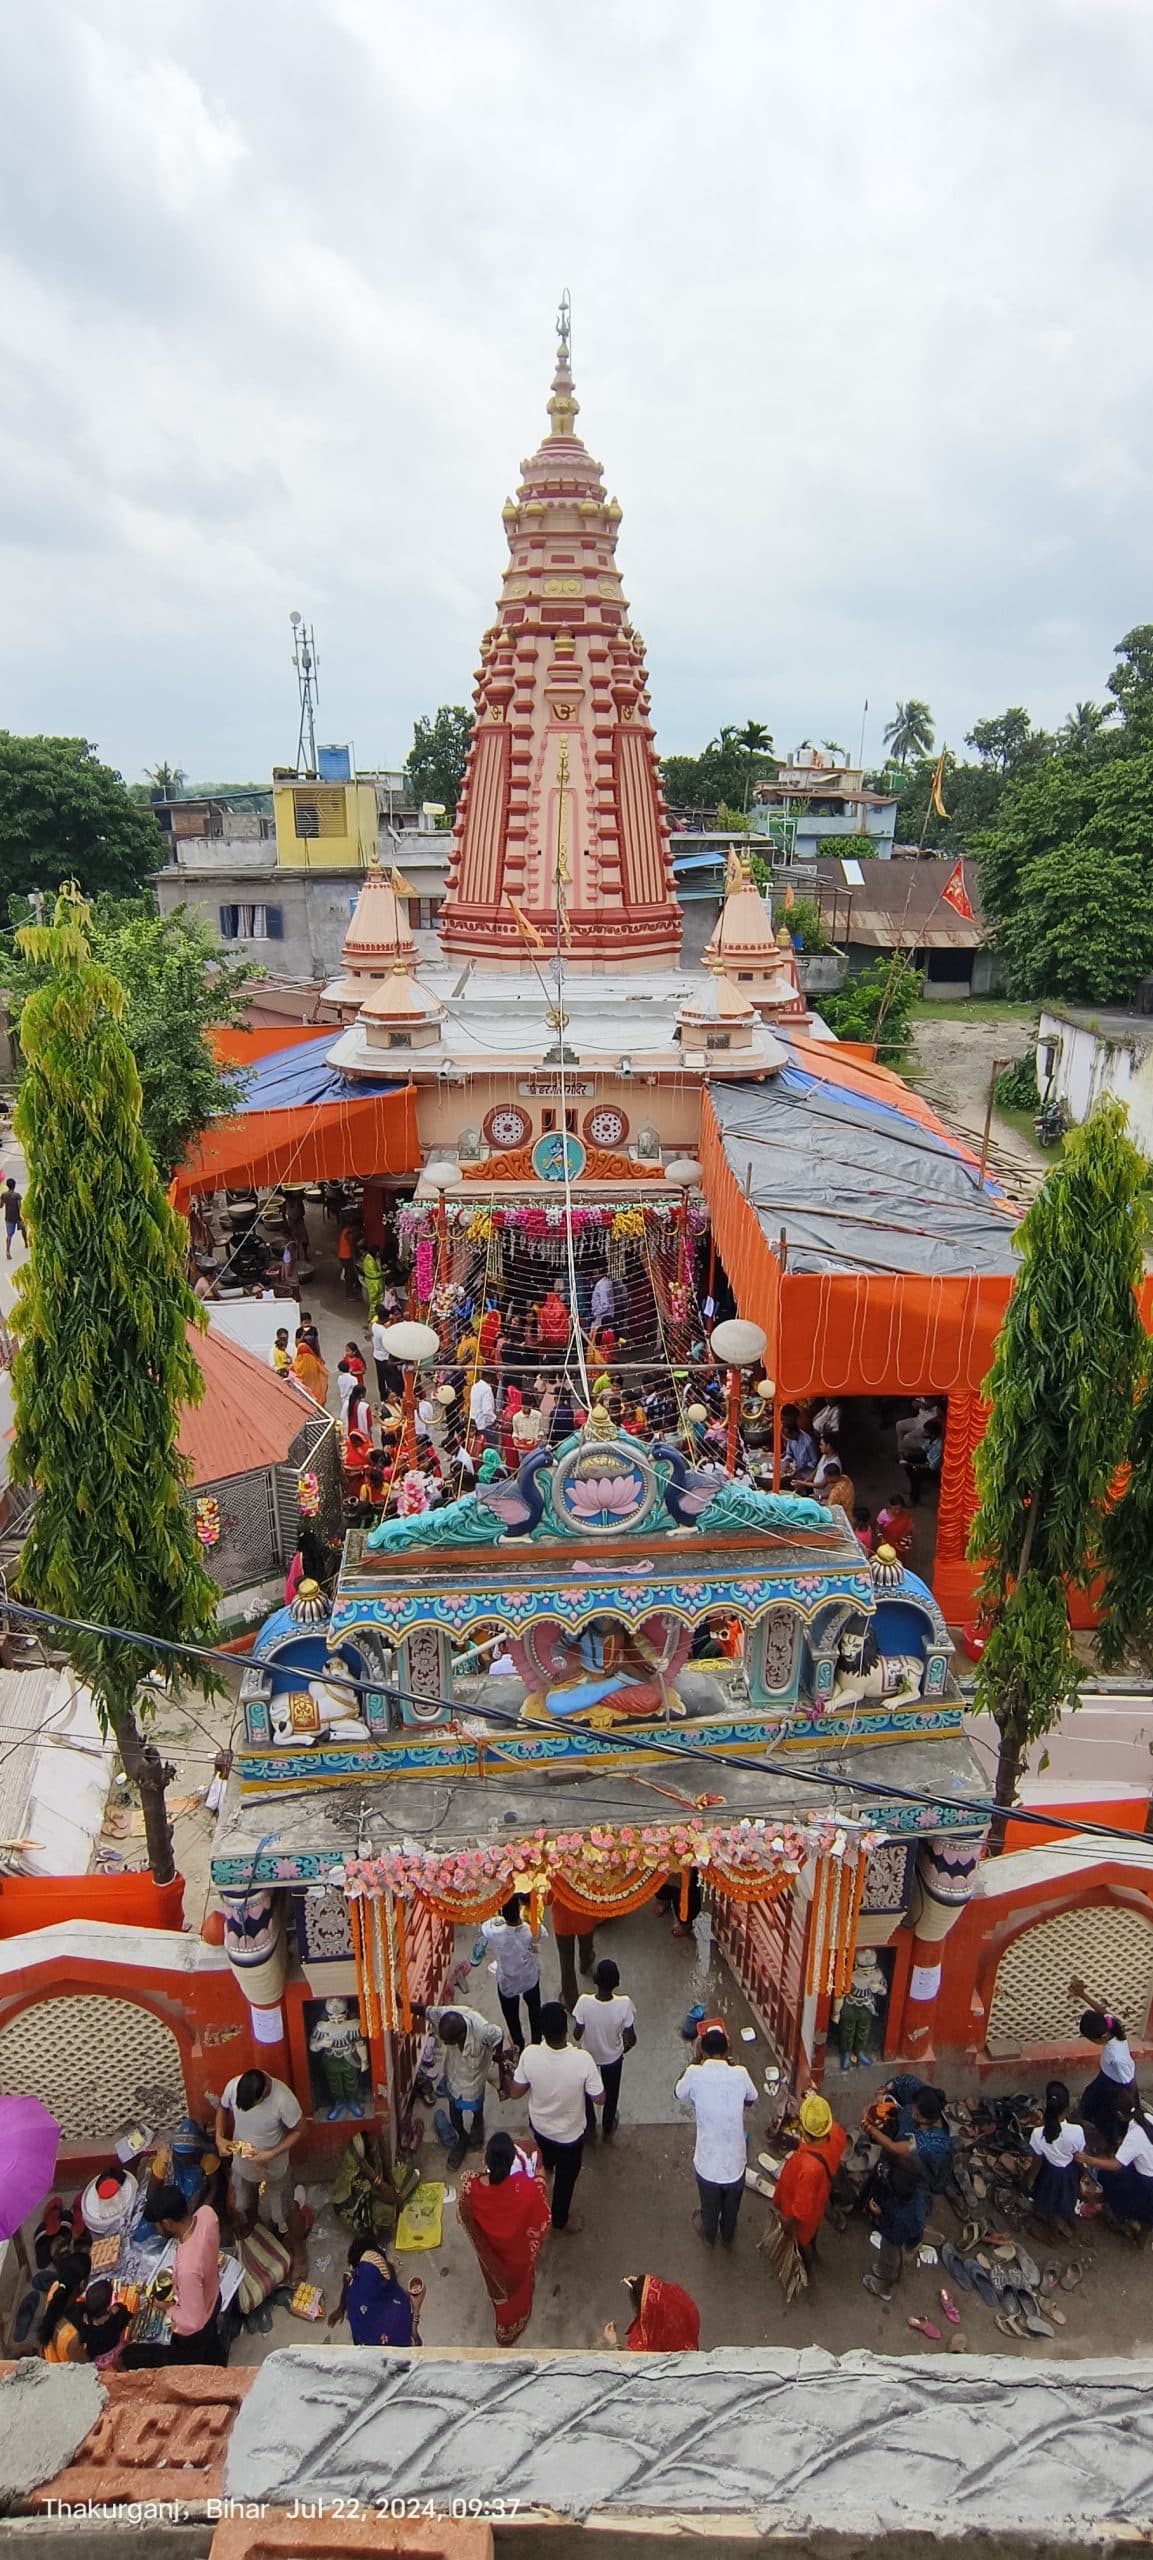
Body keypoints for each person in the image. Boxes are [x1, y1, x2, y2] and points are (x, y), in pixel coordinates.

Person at [511, 2000, 603, 2233]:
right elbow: (599, 2098)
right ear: (566, 2029)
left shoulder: (530, 2055)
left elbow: (516, 2092)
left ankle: (548, 2166)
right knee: (566, 2180)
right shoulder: (583, 2060)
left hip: (540, 2127)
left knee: (547, 2155)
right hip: (570, 2135)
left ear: (542, 2031)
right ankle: (560, 2220)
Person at [458, 2130, 551, 2344]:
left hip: (492, 2260)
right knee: (521, 2290)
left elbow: (465, 2215)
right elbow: (543, 2216)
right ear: (511, 2161)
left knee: (501, 2297)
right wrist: (539, 2177)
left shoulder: (471, 2190)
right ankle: (516, 2320)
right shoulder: (526, 2189)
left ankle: (505, 2327)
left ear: (486, 2160)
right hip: (518, 2258)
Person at [122, 2183, 224, 2367]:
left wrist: (167, 2308)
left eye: (157, 2225)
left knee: (193, 2359)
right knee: (213, 2345)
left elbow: (193, 2323)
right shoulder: (207, 2215)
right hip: (214, 2295)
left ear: (168, 2222)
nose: (157, 2230)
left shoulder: (187, 2269)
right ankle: (219, 2362)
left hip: (198, 2326)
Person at [674, 2026, 757, 2247]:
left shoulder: (695, 2073)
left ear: (703, 2051)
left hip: (707, 2163)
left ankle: (710, 2235)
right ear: (727, 2049)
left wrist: (694, 2059)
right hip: (735, 2163)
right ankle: (728, 2234)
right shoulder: (740, 2073)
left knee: (709, 2208)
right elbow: (752, 2098)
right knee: (732, 2209)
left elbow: (678, 2092)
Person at [413, 2002, 504, 2168]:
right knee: (454, 2109)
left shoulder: (483, 2030)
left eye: (449, 2042)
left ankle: (478, 2123)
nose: (446, 2044)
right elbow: (425, 2010)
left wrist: (498, 2057)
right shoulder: (447, 2013)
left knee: (476, 2107)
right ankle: (461, 2137)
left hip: (474, 2080)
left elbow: (499, 2035)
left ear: (461, 2035)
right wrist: (401, 2004)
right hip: (453, 2077)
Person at [214, 2068, 303, 2234]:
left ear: (262, 2096)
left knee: (278, 2211)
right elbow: (222, 2107)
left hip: (273, 2161)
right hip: (243, 2157)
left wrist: (271, 2154)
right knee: (241, 2203)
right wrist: (219, 2138)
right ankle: (253, 2224)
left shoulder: (283, 2098)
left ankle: (285, 2231)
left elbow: (299, 2130)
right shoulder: (233, 2086)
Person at [771, 2094, 847, 2272]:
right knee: (813, 2231)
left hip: (802, 2216)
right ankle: (811, 2249)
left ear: (804, 2130)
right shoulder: (837, 2133)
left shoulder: (807, 2166)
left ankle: (806, 2266)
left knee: (802, 2240)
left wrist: (786, 2222)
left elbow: (801, 2210)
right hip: (820, 2198)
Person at [573, 1958, 637, 2140]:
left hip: (588, 2057)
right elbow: (631, 2037)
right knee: (611, 2093)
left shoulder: (584, 2002)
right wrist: (623, 2048)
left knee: (586, 2091)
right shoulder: (625, 2004)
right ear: (616, 1982)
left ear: (595, 1978)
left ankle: (590, 2124)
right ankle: (607, 2126)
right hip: (612, 2058)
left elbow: (577, 2034)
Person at [1069, 1975, 1136, 2142]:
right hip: (1105, 2076)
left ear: (1102, 2037)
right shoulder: (1113, 2027)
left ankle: (1111, 2139)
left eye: (1091, 2039)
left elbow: (1128, 2082)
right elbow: (1102, 2012)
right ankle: (1085, 2119)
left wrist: (1126, 2104)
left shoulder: (1117, 2057)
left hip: (1117, 2087)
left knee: (1108, 2116)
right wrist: (1083, 1995)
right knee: (1089, 2097)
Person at [1082, 2087, 1153, 2234]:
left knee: (1112, 2184)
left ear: (1119, 2114)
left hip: (1146, 2181)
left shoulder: (1136, 2135)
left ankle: (1124, 2216)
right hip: (1144, 2168)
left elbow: (1116, 2164)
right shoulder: (1147, 2118)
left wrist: (1089, 2159)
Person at [481, 1893, 544, 2053]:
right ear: (520, 1910)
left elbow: (485, 1927)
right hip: (529, 1977)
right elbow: (542, 1933)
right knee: (535, 2009)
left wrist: (498, 1917)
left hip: (507, 1982)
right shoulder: (531, 1930)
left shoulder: (495, 1932)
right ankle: (536, 2041)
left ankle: (518, 2043)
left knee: (511, 2016)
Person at [328, 2238, 416, 2344]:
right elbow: (393, 2287)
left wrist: (341, 2308)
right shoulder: (386, 2267)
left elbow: (347, 2279)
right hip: (396, 2337)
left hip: (367, 2343)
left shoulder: (352, 2280)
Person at [1027, 2080, 1086, 2238]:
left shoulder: (1038, 2133)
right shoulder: (1077, 2131)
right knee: (1067, 2197)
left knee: (1049, 2204)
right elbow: (1079, 2155)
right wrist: (1082, 2176)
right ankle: (1067, 2220)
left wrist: (1031, 2179)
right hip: (1069, 2172)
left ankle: (1053, 2234)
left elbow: (1037, 2161)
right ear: (1066, 2110)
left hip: (1049, 2175)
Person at [604, 2273, 700, 2352]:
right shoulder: (684, 2318)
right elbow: (666, 2295)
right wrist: (644, 2284)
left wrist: (614, 2343)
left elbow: (629, 2369)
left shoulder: (647, 2343)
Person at [551, 1888, 596, 2011]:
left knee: (566, 1963)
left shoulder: (555, 1874)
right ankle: (585, 1963)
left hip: (562, 1922)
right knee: (586, 1946)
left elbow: (547, 1899)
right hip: (586, 1917)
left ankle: (570, 2001)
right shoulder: (588, 1871)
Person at [780, 1408, 818, 1484]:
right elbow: (789, 1453)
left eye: (789, 1436)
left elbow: (814, 1462)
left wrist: (801, 1467)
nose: (788, 1439)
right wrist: (786, 1461)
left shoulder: (808, 1442)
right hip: (796, 1475)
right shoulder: (791, 1440)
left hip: (807, 1476)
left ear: (794, 1432)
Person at [292, 1331, 329, 1405]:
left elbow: (295, 1370)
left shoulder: (299, 1360)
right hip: (314, 1386)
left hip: (305, 1387)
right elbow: (323, 1372)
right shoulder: (313, 1359)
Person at [875, 1493, 913, 1560]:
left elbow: (908, 1531)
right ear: (890, 1505)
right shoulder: (883, 1514)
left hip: (899, 1547)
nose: (897, 1511)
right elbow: (878, 1528)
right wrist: (880, 1537)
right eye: (895, 1509)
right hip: (886, 1545)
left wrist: (906, 1543)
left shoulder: (904, 1516)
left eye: (900, 1509)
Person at [469, 1370, 497, 1438]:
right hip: (484, 1424)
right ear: (489, 1377)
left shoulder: (474, 1386)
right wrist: (494, 1420)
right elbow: (487, 1410)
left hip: (474, 1421)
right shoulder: (487, 1389)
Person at [3, 1177, 25, 1259]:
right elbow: (19, 1207)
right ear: (14, 1186)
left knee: (9, 1235)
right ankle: (26, 1242)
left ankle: (8, 1251)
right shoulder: (17, 1195)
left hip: (8, 1218)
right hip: (18, 1217)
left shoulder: (4, 1195)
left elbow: (1, 1205)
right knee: (24, 1229)